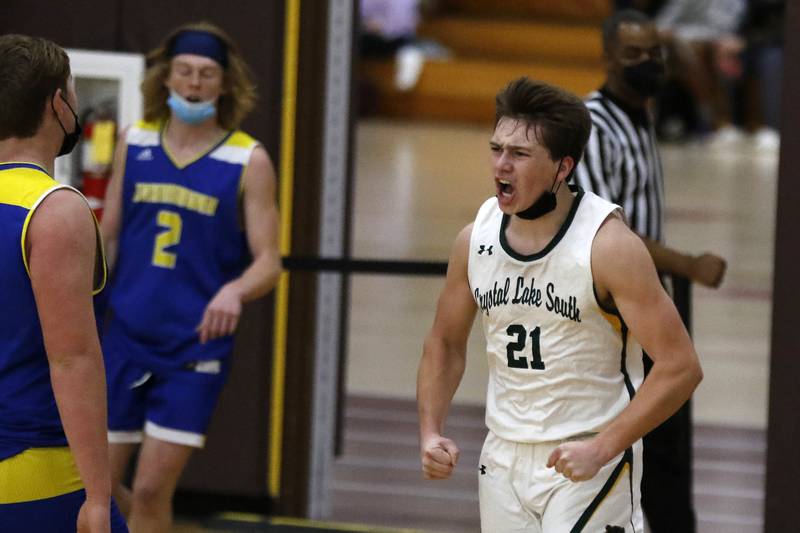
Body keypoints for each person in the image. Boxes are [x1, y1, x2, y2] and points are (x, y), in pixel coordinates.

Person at [417, 76, 703, 532]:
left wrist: (604, 448)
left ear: (562, 167)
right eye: (497, 149)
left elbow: (680, 366)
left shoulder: (609, 246)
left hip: (588, 457)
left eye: (520, 154)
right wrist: (431, 430)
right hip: (503, 456)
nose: (501, 166)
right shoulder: (475, 239)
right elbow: (445, 344)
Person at [100, 22, 281, 532]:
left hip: (193, 347)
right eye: (184, 72)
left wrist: (234, 289)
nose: (194, 83)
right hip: (126, 336)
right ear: (166, 78)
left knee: (156, 488)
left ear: (225, 85)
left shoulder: (247, 158)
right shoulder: (134, 142)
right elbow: (107, 238)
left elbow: (270, 261)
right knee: (99, 484)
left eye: (206, 74)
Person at [574, 10, 726, 533]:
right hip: (613, 306)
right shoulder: (594, 124)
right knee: (648, 434)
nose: (647, 63)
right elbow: (607, 231)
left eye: (653, 52)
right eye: (633, 53)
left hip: (647, 297)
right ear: (608, 58)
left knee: (667, 438)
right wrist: (689, 265)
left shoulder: (643, 112)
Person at [0, 34, 127, 532]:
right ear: (59, 103)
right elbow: (71, 359)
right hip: (37, 466)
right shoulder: (55, 209)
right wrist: (99, 493)